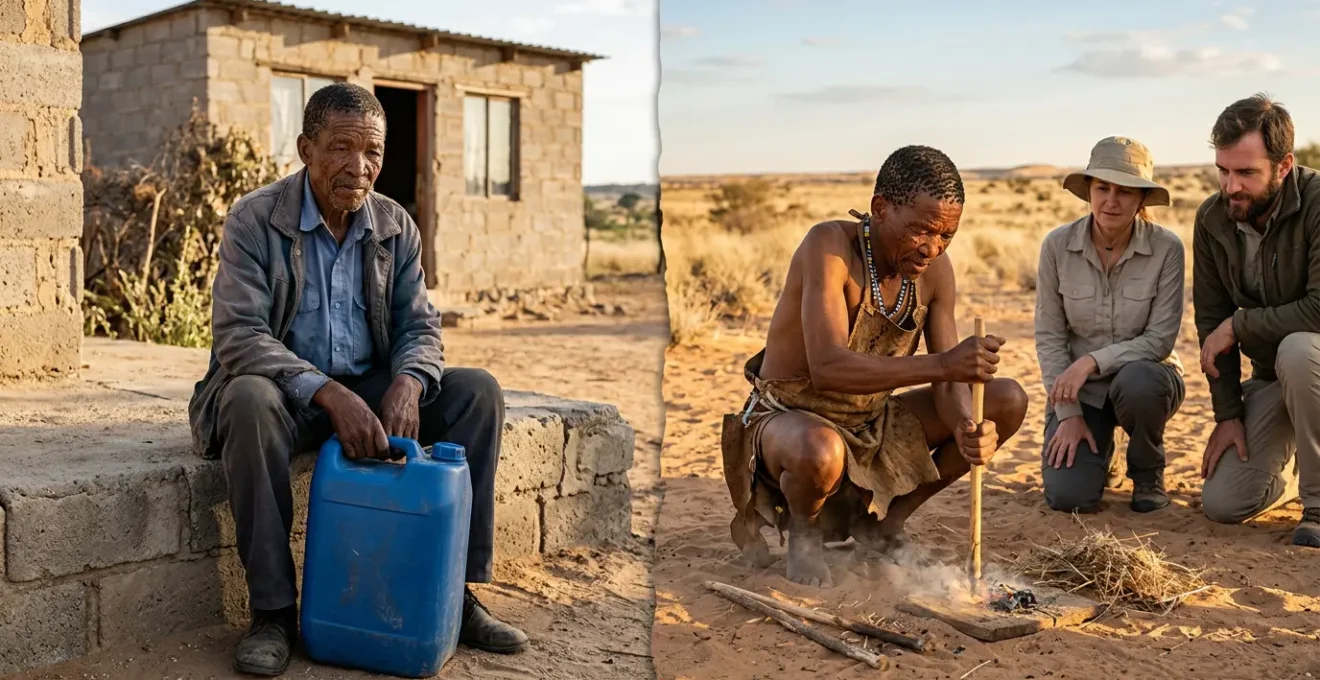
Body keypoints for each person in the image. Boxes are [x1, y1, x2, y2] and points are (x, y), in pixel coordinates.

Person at [187, 83, 528, 676]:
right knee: (246, 400)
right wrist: (327, 392)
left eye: (372, 151)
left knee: (477, 393)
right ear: (306, 149)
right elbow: (239, 335)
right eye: (341, 148)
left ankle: (457, 593)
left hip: (366, 391)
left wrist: (409, 383)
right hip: (286, 395)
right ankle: (272, 613)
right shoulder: (255, 219)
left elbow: (420, 326)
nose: (359, 166)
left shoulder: (395, 225)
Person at [719, 145, 1029, 588]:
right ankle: (805, 531)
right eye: (921, 230)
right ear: (880, 208)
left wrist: (965, 425)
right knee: (820, 450)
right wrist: (944, 364)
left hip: (871, 423)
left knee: (1006, 399)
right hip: (791, 423)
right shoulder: (829, 248)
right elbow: (828, 368)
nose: (933, 247)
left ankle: (885, 524)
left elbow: (949, 385)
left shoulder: (935, 271)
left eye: (947, 235)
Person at [1034, 136, 1187, 514]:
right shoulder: (1056, 246)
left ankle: (1147, 473)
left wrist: (1090, 362)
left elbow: (1159, 340)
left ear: (1142, 199)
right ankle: (1106, 456)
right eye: (1102, 188)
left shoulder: (1167, 248)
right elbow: (1049, 336)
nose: (1111, 201)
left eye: (1125, 191)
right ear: (1088, 190)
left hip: (1145, 383)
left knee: (1139, 382)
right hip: (1080, 392)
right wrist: (1068, 414)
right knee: (1069, 497)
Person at [1193, 93, 1320, 548]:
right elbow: (1211, 322)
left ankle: (1318, 505)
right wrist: (1228, 414)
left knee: (1299, 349)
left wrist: (1239, 326)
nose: (1231, 187)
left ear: (1284, 166)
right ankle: (1295, 464)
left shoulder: (1318, 202)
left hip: (1312, 363)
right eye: (1223, 171)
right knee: (1224, 504)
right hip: (1274, 378)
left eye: (1246, 172)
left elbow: (1319, 309)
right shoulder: (1212, 219)